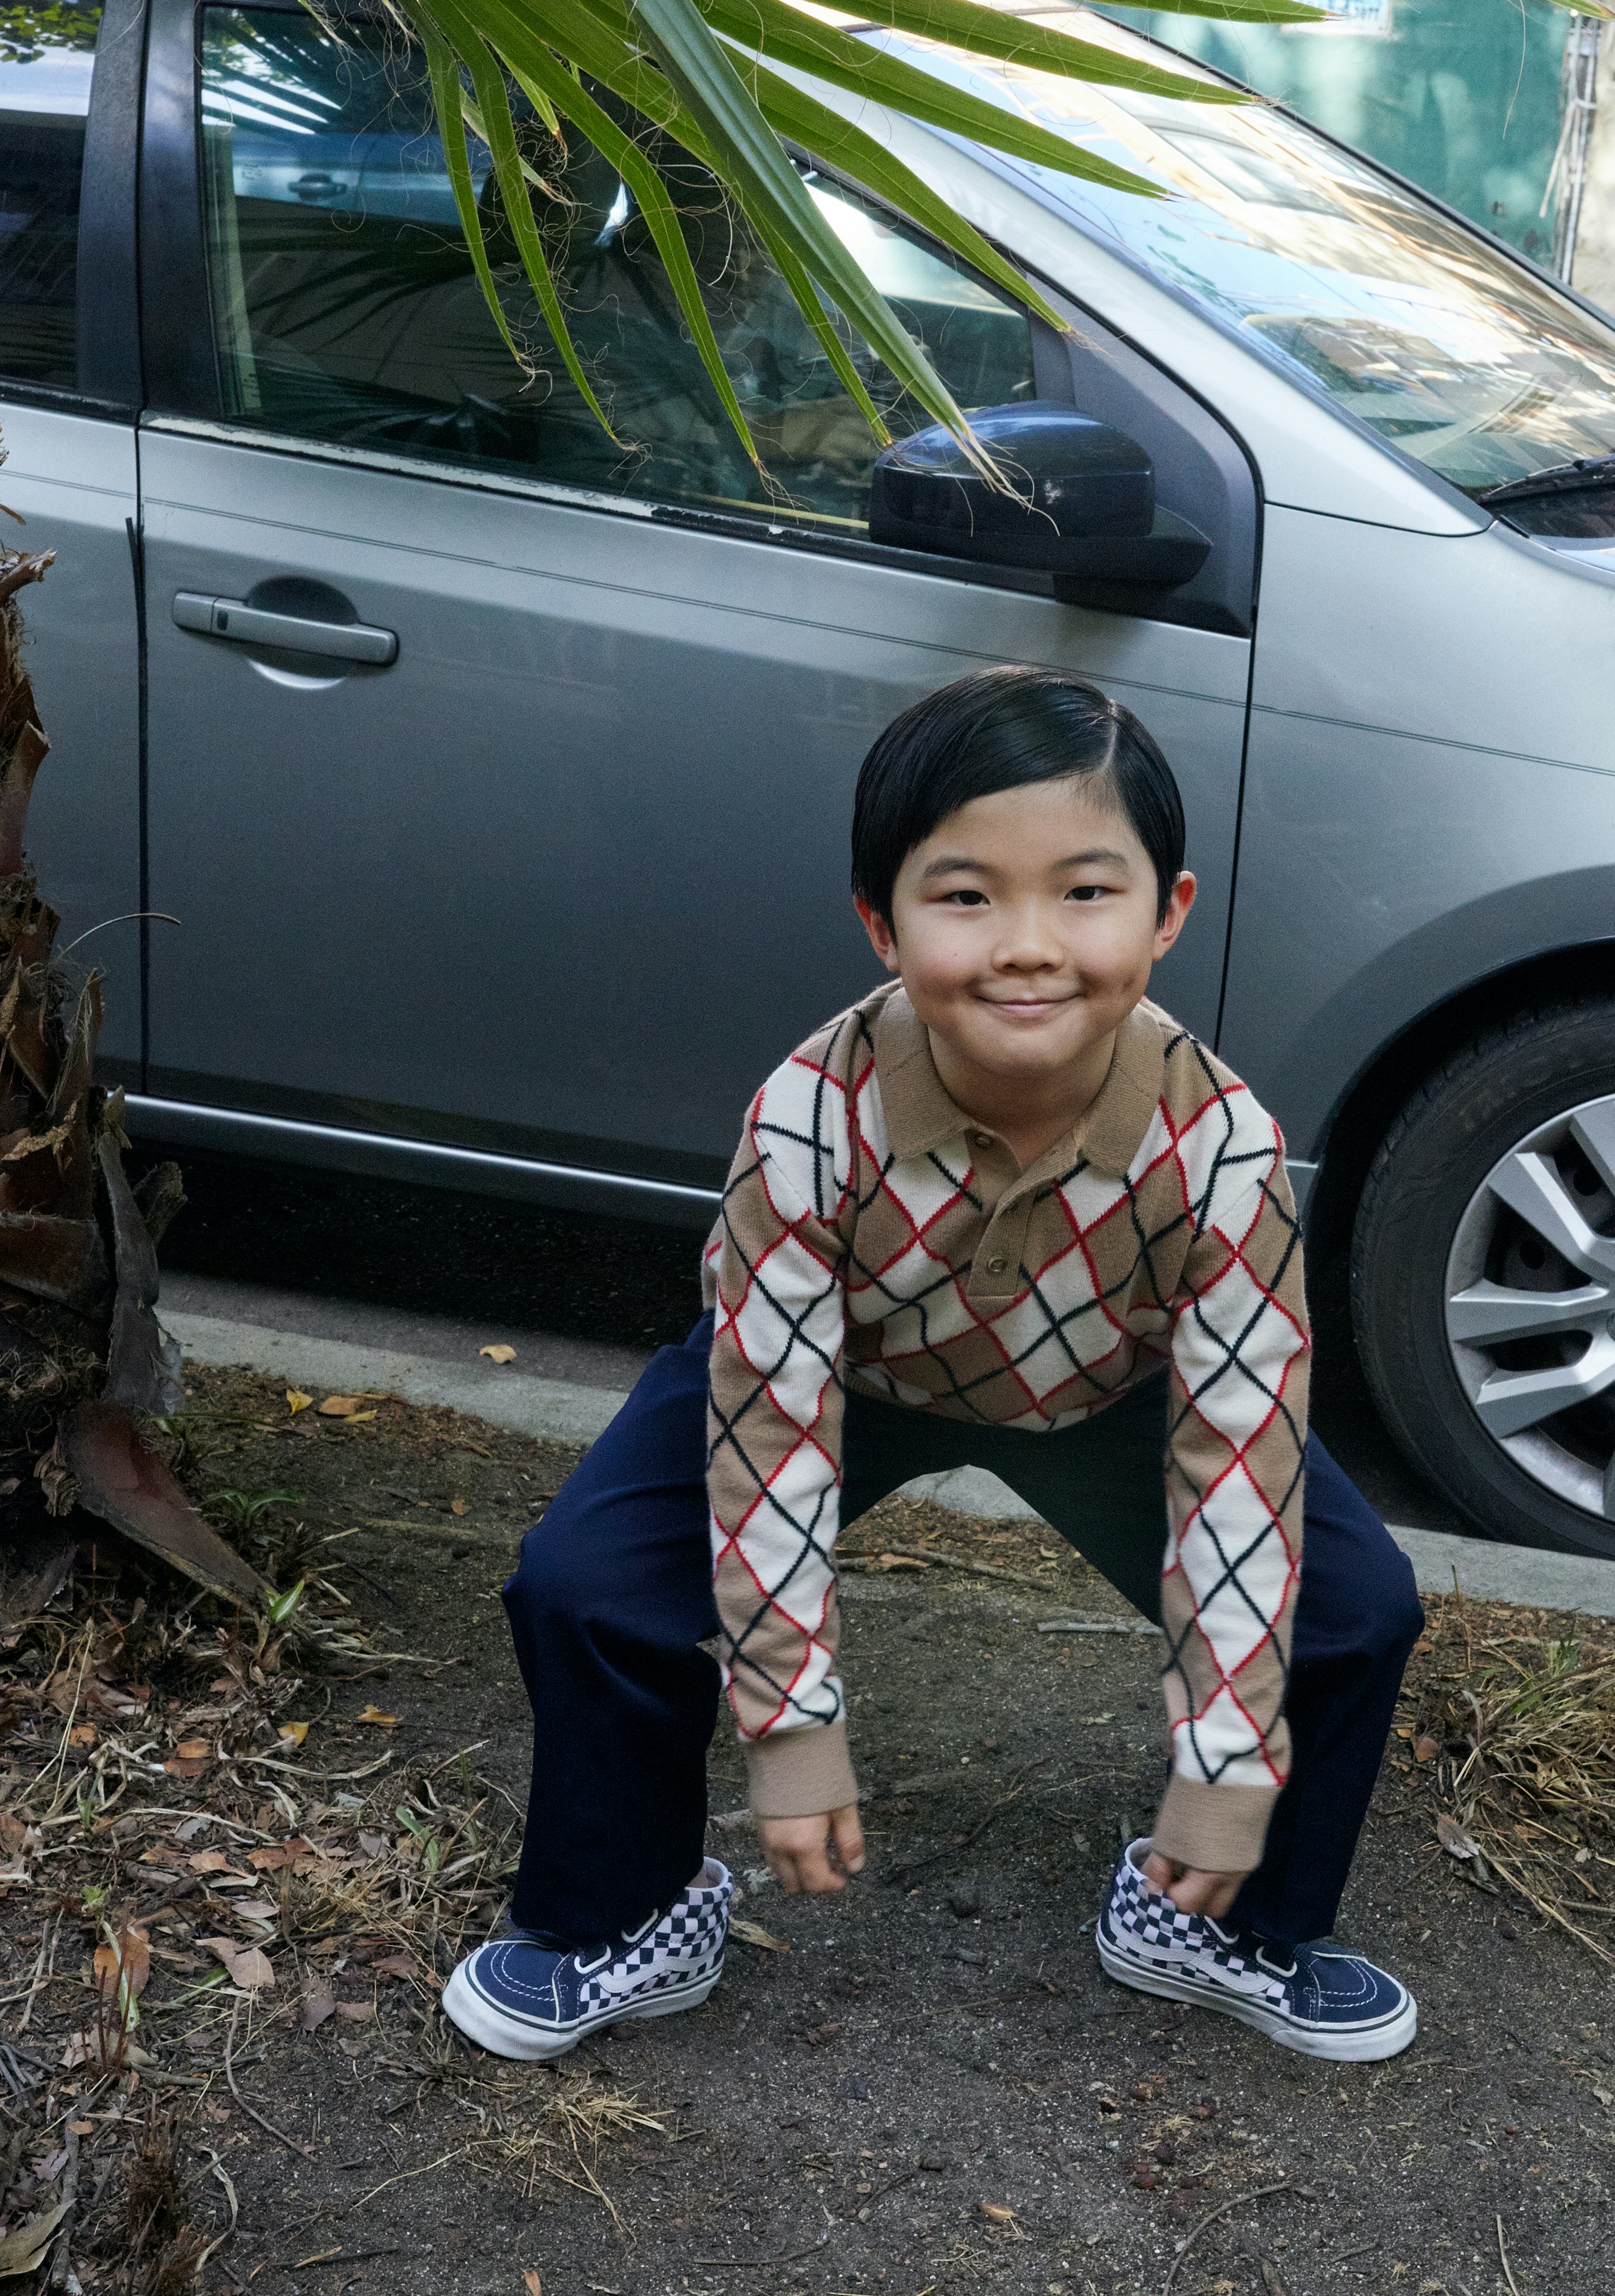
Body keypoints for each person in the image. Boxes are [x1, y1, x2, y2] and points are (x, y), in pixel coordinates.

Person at [444, 666, 1424, 2068]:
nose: (1028, 946)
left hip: (1112, 1399)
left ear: (1168, 913)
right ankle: (624, 1912)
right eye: (965, 895)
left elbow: (1241, 1450)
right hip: (840, 1384)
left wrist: (1226, 1763)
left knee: (1354, 1607)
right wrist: (792, 1727)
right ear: (882, 923)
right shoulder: (810, 1117)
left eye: (1085, 892)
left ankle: (1225, 1923)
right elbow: (769, 1427)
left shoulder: (1223, 1148)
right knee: (587, 1583)